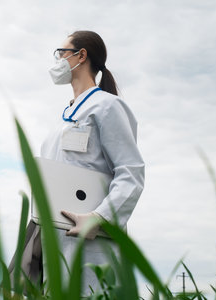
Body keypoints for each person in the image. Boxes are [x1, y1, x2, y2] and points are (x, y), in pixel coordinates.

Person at [40, 30, 145, 294]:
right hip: (56, 238)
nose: (57, 61)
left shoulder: (107, 107)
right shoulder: (64, 117)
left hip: (92, 242)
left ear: (81, 56)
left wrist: (99, 217)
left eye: (61, 53)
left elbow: (131, 173)